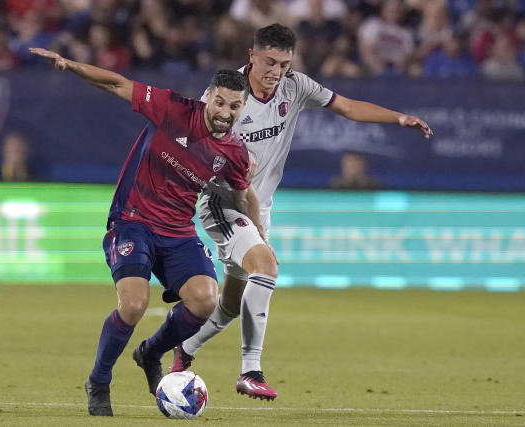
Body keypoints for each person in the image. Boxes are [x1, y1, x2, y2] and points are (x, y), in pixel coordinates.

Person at [172, 23, 432, 400]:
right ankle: (250, 370)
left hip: (260, 207)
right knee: (267, 268)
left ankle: (183, 349)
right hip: (224, 204)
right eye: (270, 62)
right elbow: (191, 147)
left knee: (230, 305)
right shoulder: (227, 97)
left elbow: (347, 107)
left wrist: (399, 118)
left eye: (284, 63)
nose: (276, 70)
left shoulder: (296, 87)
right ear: (252, 57)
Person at [30, 47, 264, 417]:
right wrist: (71, 65)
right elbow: (117, 83)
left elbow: (242, 194)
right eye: (220, 102)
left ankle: (150, 352)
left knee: (205, 299)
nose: (225, 113)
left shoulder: (234, 152)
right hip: (132, 221)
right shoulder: (171, 109)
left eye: (235, 107)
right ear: (208, 96)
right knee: (135, 304)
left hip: (178, 230)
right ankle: (99, 380)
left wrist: (260, 243)